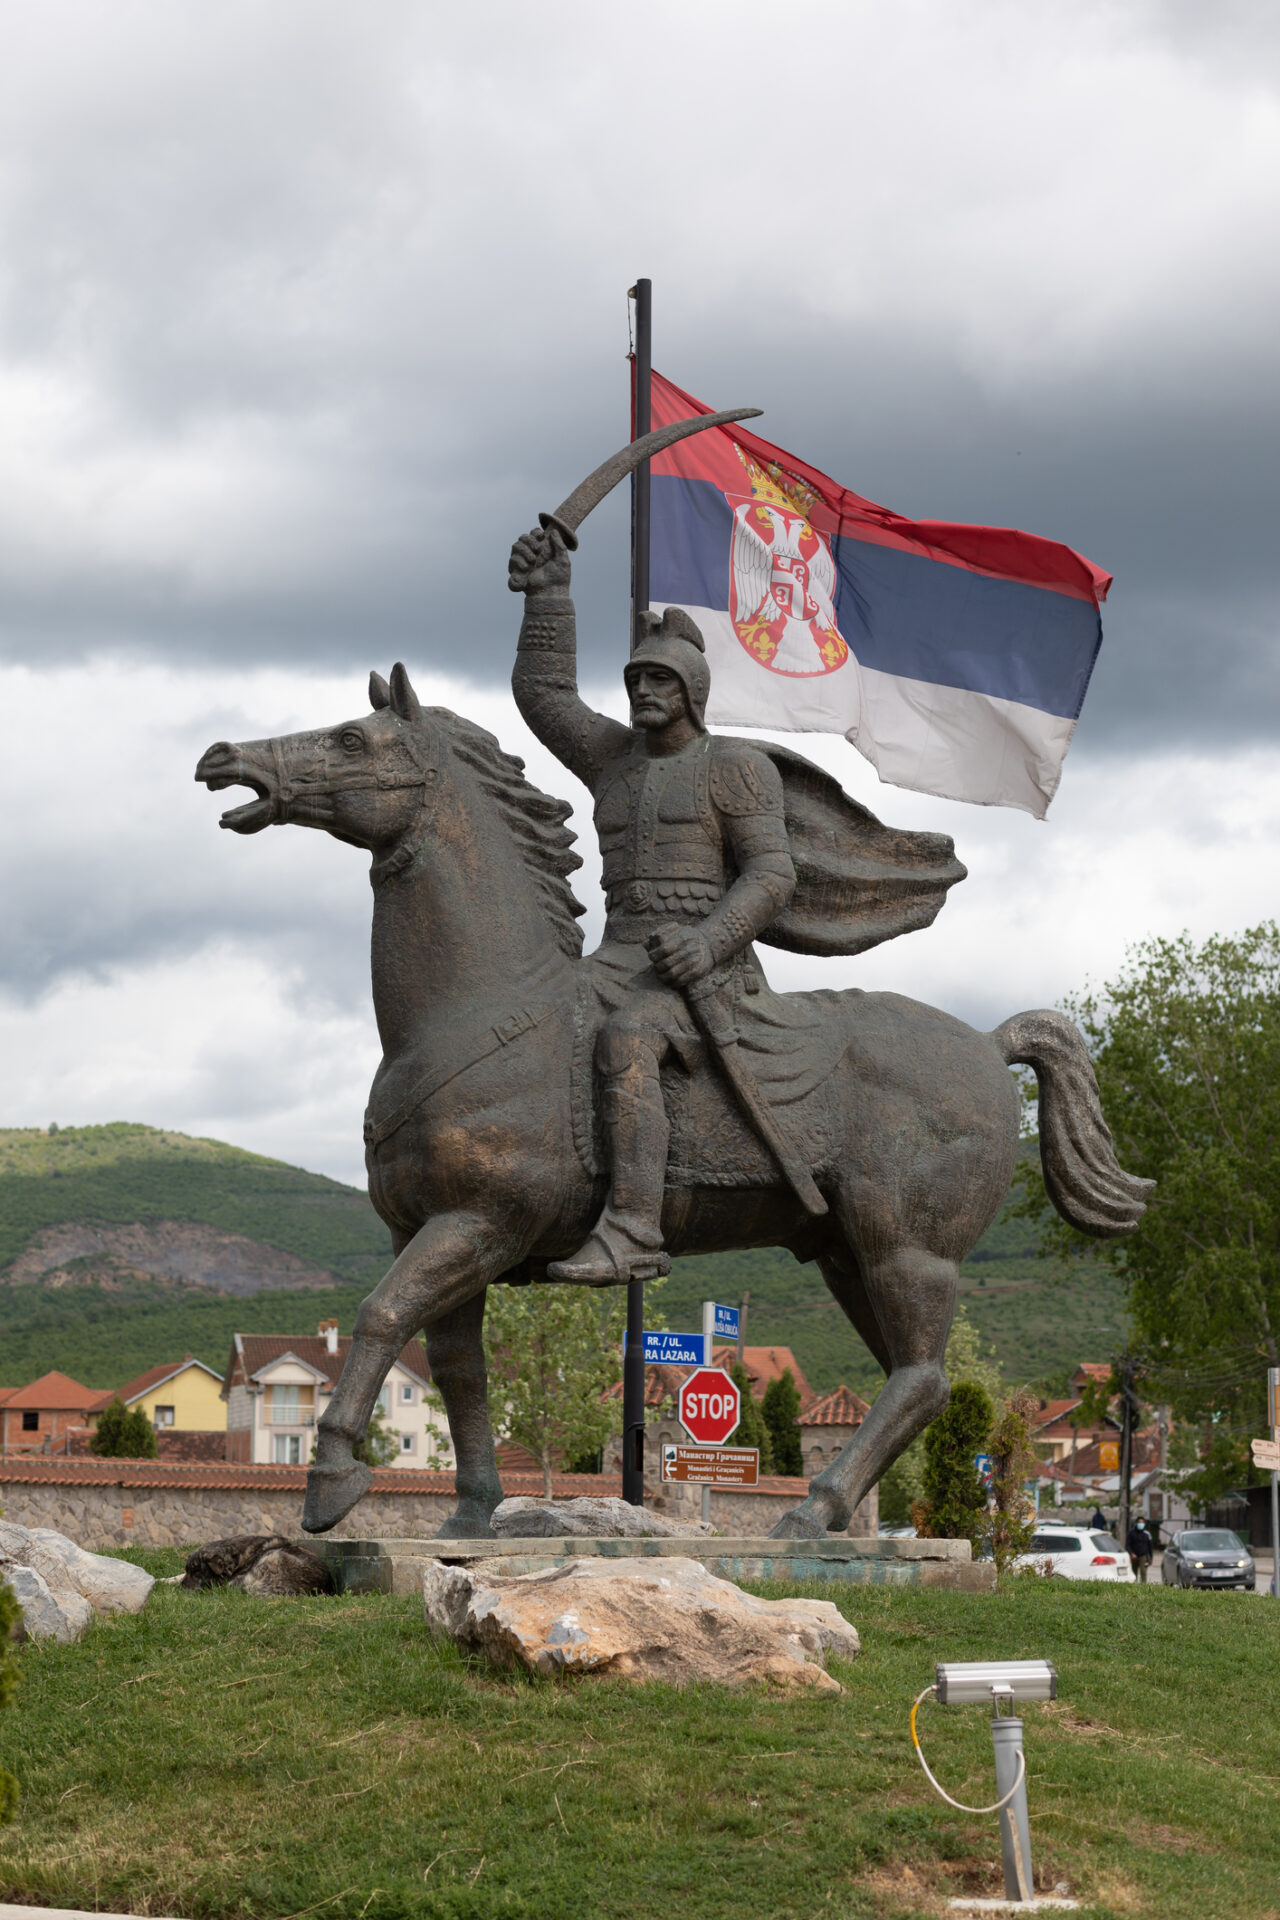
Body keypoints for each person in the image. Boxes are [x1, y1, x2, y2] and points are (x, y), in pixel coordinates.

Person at [1127, 1516, 1154, 1581]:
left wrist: (1151, 1558)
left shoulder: (1147, 1534)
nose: (1140, 1524)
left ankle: (1143, 1587)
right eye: (1139, 1522)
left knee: (1143, 1572)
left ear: (1144, 1524)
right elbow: (1127, 1545)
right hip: (1134, 1556)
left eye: (1142, 1522)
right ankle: (1134, 1587)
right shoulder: (1131, 1533)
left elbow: (1150, 1546)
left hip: (1143, 1556)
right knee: (1134, 1573)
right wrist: (1131, 1553)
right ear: (1136, 1523)